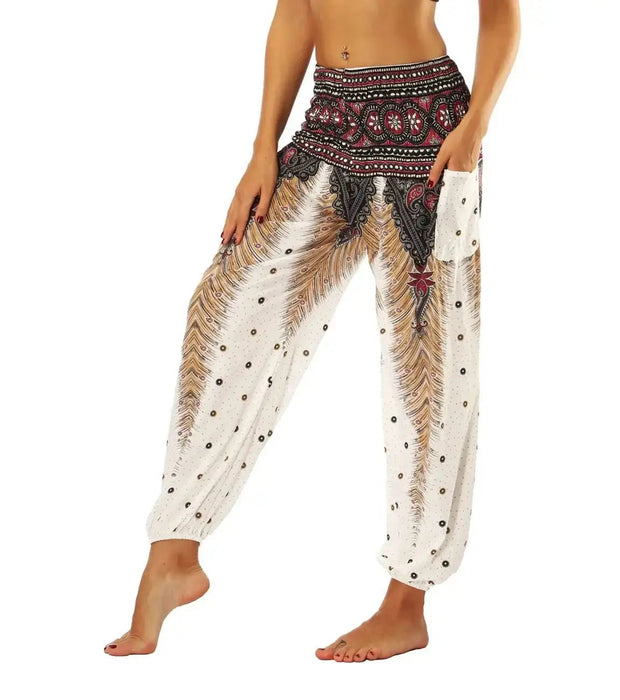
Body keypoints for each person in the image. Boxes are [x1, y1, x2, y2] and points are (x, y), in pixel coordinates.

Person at [104, 0, 520, 661]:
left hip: (430, 136)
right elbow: (296, 12)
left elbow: (500, 13)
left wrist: (475, 129)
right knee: (223, 312)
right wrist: (262, 148)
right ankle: (175, 554)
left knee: (430, 366)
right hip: (328, 126)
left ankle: (406, 605)